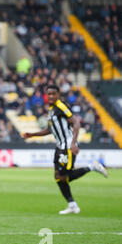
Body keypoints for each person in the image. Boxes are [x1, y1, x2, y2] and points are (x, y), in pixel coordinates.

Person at [23, 85, 108, 215]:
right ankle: (72, 205)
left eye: (53, 94)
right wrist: (33, 135)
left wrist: (73, 143)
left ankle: (93, 167)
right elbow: (50, 130)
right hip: (59, 146)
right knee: (58, 176)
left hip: (67, 145)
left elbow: (76, 123)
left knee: (64, 176)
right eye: (49, 94)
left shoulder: (61, 106)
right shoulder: (51, 110)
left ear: (58, 95)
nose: (51, 96)